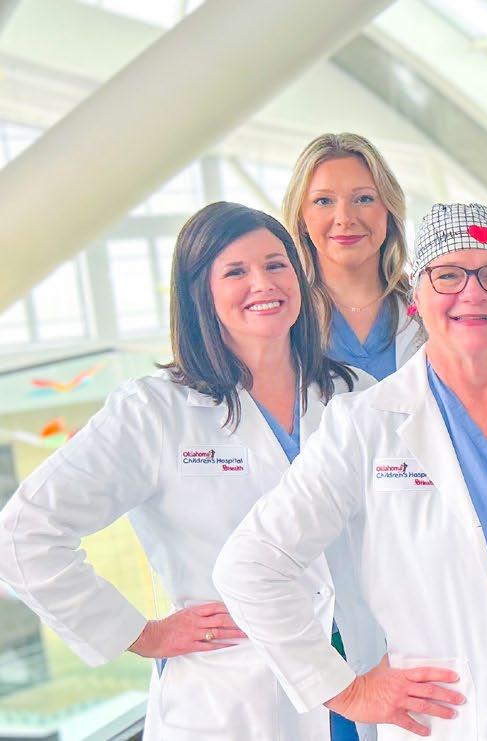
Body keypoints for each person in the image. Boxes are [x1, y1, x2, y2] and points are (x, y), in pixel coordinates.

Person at [214, 203, 487, 740]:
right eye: (448, 275)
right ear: (416, 295)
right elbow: (249, 564)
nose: (474, 293)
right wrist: (346, 692)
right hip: (453, 719)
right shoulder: (365, 424)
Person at [0, 202, 375, 739]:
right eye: (235, 271)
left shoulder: (354, 393)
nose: (263, 283)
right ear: (201, 293)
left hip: (357, 678)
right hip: (233, 700)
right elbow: (23, 531)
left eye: (276, 264)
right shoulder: (152, 412)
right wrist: (140, 634)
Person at [283, 132, 421, 380]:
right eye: (323, 201)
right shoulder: (284, 316)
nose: (345, 219)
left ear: (389, 210)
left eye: (364, 199)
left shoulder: (427, 310)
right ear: (301, 218)